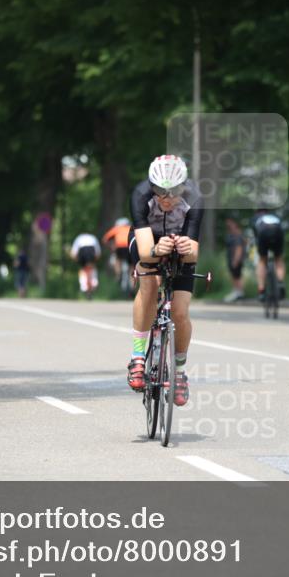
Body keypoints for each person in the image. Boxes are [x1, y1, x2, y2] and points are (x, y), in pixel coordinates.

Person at [126, 154, 203, 407]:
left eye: (173, 192)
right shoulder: (140, 195)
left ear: (184, 186)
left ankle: (179, 372)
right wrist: (158, 250)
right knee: (149, 283)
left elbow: (193, 252)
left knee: (180, 311)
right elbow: (147, 250)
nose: (166, 198)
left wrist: (184, 247)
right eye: (160, 191)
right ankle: (138, 357)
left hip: (180, 238)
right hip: (148, 237)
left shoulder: (195, 198)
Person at [252, 210, 285, 301]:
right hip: (277, 232)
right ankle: (280, 282)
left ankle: (261, 291)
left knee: (262, 261)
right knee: (278, 259)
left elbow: (256, 237)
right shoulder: (275, 216)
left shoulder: (256, 218)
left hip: (263, 233)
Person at [102, 217, 132, 291]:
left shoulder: (117, 229)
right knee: (132, 265)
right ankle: (132, 284)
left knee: (117, 259)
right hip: (129, 246)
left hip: (120, 246)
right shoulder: (131, 228)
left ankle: (118, 274)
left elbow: (105, 239)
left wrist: (111, 247)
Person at [69, 232, 101, 298]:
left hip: (82, 249)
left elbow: (73, 253)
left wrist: (78, 261)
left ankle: (83, 286)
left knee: (83, 269)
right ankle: (94, 282)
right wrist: (94, 261)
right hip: (91, 249)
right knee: (92, 267)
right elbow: (98, 253)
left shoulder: (79, 238)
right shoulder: (93, 237)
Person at [224, 217, 246, 302]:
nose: (228, 225)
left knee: (237, 276)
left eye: (230, 223)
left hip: (235, 259)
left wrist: (236, 260)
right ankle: (237, 292)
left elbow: (239, 248)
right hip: (231, 259)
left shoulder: (237, 235)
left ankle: (239, 293)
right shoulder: (232, 234)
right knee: (235, 276)